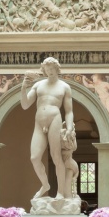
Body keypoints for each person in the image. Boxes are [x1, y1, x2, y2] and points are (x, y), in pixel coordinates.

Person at [20, 57, 74, 200]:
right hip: (39, 122)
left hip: (54, 119)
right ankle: (45, 185)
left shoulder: (64, 87)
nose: (49, 71)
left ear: (57, 69)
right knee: (35, 157)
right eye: (47, 69)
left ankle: (60, 192)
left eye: (52, 69)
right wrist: (23, 88)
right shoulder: (38, 85)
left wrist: (69, 127)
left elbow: (69, 111)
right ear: (44, 70)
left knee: (56, 157)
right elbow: (25, 105)